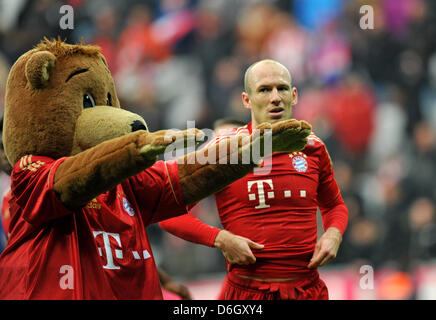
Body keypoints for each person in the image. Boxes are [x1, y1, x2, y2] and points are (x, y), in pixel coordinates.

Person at [159, 59, 348, 300]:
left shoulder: (313, 147)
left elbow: (334, 205)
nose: (276, 97)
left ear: (294, 95)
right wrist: (219, 238)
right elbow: (168, 214)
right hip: (248, 293)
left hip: (308, 290)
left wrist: (334, 233)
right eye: (264, 90)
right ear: (246, 100)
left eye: (281, 88)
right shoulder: (225, 151)